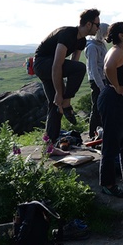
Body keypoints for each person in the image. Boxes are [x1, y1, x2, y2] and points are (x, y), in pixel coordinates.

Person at [33, 9, 100, 145]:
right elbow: (57, 65)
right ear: (88, 24)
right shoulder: (68, 34)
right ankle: (67, 102)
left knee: (56, 105)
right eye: (97, 25)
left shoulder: (81, 41)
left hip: (52, 66)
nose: (98, 28)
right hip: (42, 63)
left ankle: (50, 144)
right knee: (80, 69)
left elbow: (71, 66)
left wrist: (61, 93)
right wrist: (61, 93)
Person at [97, 22, 123, 198]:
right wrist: (117, 87)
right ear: (121, 35)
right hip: (115, 100)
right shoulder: (116, 51)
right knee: (112, 143)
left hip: (120, 101)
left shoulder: (118, 51)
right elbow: (108, 68)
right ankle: (107, 184)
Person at [85, 22, 109, 139]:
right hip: (96, 81)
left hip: (104, 79)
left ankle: (101, 130)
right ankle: (92, 133)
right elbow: (93, 69)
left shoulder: (101, 44)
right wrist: (101, 86)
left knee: (103, 106)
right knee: (96, 107)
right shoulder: (92, 47)